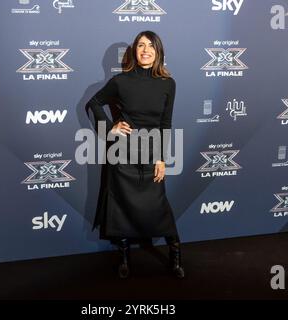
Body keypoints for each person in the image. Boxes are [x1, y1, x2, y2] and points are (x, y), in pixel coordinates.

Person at [86, 30, 184, 279]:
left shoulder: (167, 84)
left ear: (158, 51)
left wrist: (162, 158)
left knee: (158, 205)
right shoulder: (121, 81)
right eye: (141, 45)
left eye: (151, 45)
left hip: (152, 154)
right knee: (120, 208)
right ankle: (124, 256)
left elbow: (165, 123)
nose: (145, 50)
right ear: (134, 50)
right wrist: (110, 128)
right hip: (122, 154)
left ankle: (175, 255)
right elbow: (93, 103)